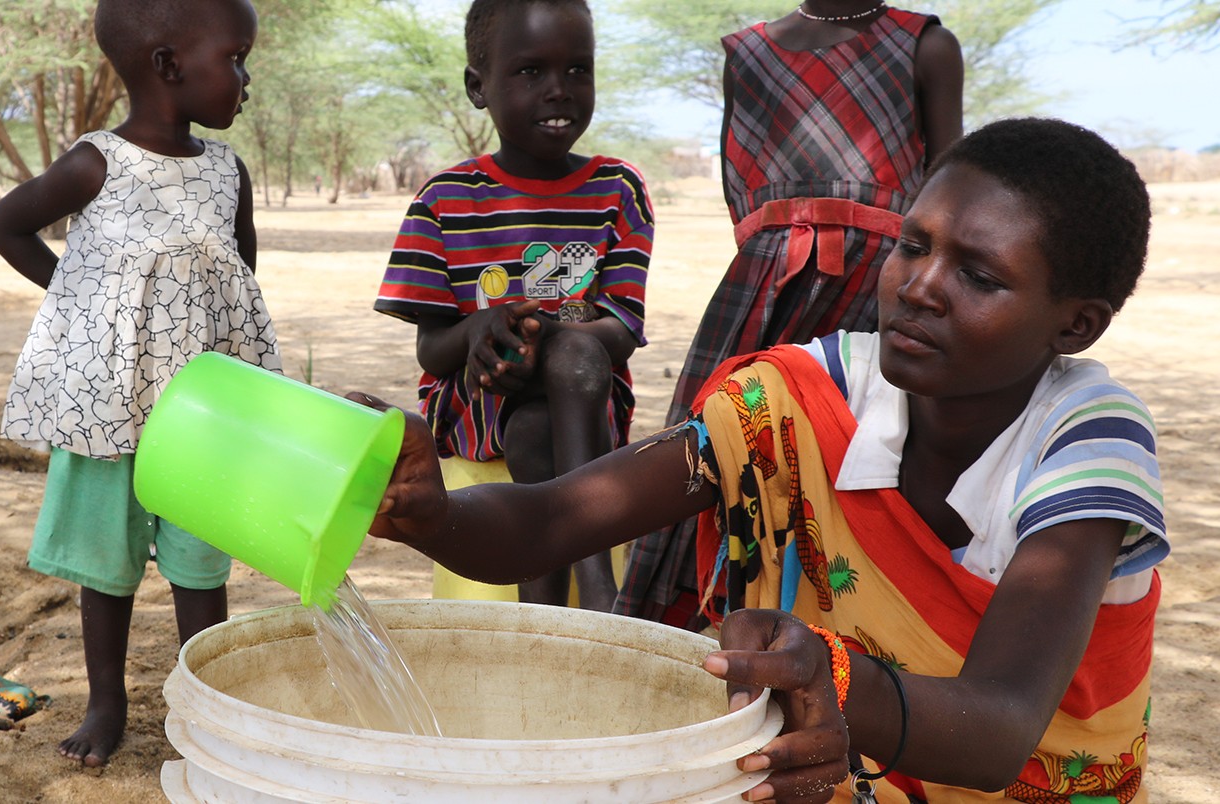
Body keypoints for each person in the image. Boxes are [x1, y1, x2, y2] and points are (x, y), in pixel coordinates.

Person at [354, 118, 1165, 803]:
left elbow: (1001, 728)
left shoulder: (1088, 438)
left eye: (979, 276)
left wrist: (838, 677)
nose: (920, 287)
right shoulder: (808, 394)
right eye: (913, 245)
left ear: (1075, 326)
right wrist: (435, 511)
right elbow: (556, 518)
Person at [0, 0, 275, 767]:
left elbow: (240, 274)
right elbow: (6, 225)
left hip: (204, 410)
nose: (245, 79)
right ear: (169, 66)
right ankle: (106, 702)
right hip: (106, 403)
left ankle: (204, 698)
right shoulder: (96, 162)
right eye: (235, 59)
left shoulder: (226, 173)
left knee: (201, 557)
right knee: (105, 562)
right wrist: (77, 298)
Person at [618, 0, 965, 628]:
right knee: (724, 439)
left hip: (879, 290)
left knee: (859, 452)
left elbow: (950, 187)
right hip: (766, 288)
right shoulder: (747, 54)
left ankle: (856, 631)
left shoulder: (926, 45)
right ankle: (699, 618)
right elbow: (738, 187)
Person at [373, 0, 655, 611]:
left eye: (578, 70)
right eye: (530, 72)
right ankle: (599, 587)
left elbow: (622, 329)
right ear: (480, 86)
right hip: (478, 397)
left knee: (562, 376)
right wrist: (481, 327)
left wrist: (543, 330)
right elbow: (432, 348)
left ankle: (547, 607)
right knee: (544, 388)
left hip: (587, 391)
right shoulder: (444, 201)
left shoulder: (618, 190)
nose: (559, 91)